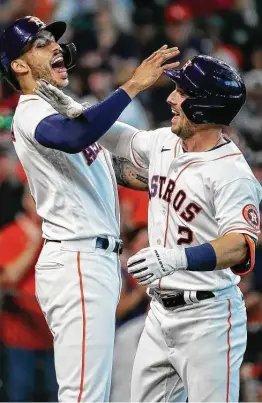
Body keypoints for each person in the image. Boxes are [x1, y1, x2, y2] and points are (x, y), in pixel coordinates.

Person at [38, 54, 262, 402]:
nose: (171, 98)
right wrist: (79, 111)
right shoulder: (164, 142)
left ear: (204, 107)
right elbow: (119, 138)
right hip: (158, 313)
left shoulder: (232, 174)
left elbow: (240, 245)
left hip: (210, 317)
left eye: (182, 92)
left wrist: (177, 258)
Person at [0, 15, 180, 402]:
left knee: (89, 392)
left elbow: (110, 164)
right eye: (41, 44)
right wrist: (132, 85)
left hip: (92, 260)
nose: (55, 47)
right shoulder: (31, 110)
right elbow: (75, 135)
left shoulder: (62, 104)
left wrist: (167, 181)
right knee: (84, 394)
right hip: (77, 258)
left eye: (54, 41)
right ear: (18, 65)